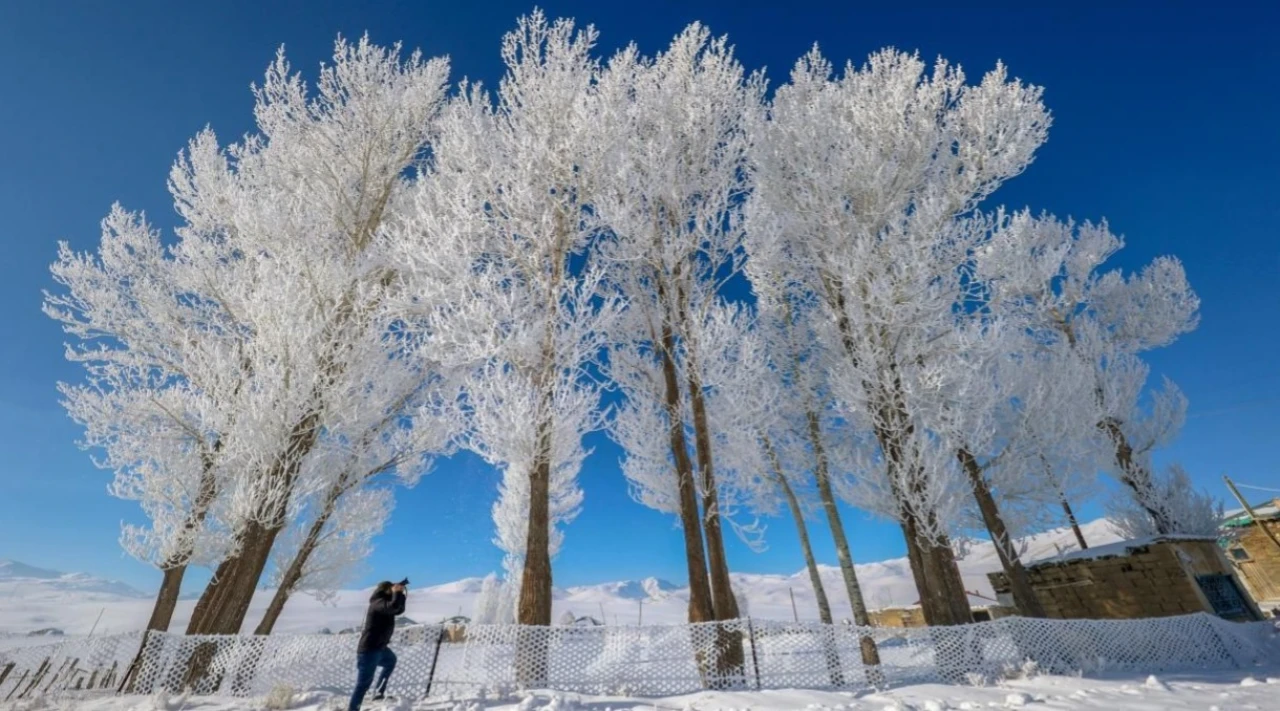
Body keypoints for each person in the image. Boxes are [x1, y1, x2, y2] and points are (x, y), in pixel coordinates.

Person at [348, 580, 406, 710]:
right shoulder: (377, 602)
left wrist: (400, 594)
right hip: (369, 650)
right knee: (363, 684)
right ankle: (353, 709)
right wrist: (396, 593)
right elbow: (392, 607)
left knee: (391, 661)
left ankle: (379, 693)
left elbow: (398, 610)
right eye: (391, 590)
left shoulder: (385, 603)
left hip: (380, 648)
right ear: (386, 590)